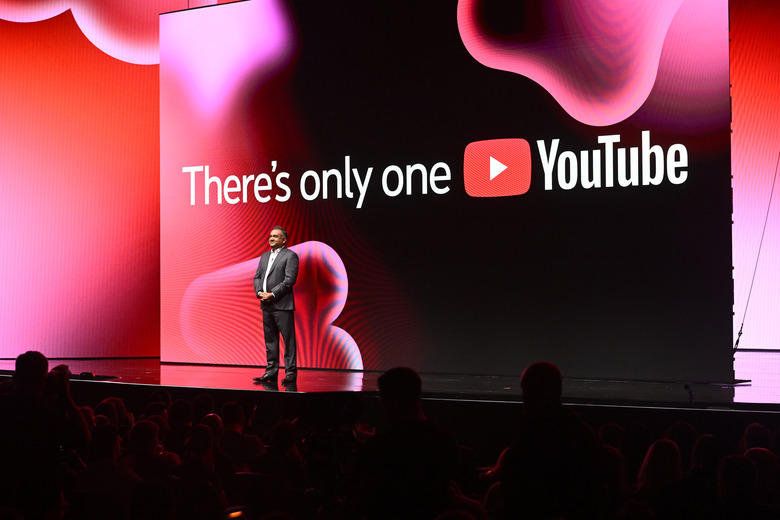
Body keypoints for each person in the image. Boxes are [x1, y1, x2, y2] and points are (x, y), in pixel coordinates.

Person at [253, 225, 299, 385]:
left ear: (284, 240)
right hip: (266, 305)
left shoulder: (290, 256)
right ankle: (271, 372)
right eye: (270, 236)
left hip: (282, 304)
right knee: (270, 340)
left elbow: (289, 280)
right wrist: (260, 292)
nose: (271, 238)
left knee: (288, 341)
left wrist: (272, 294)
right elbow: (257, 277)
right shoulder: (264, 256)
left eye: (275, 236)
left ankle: (291, 372)